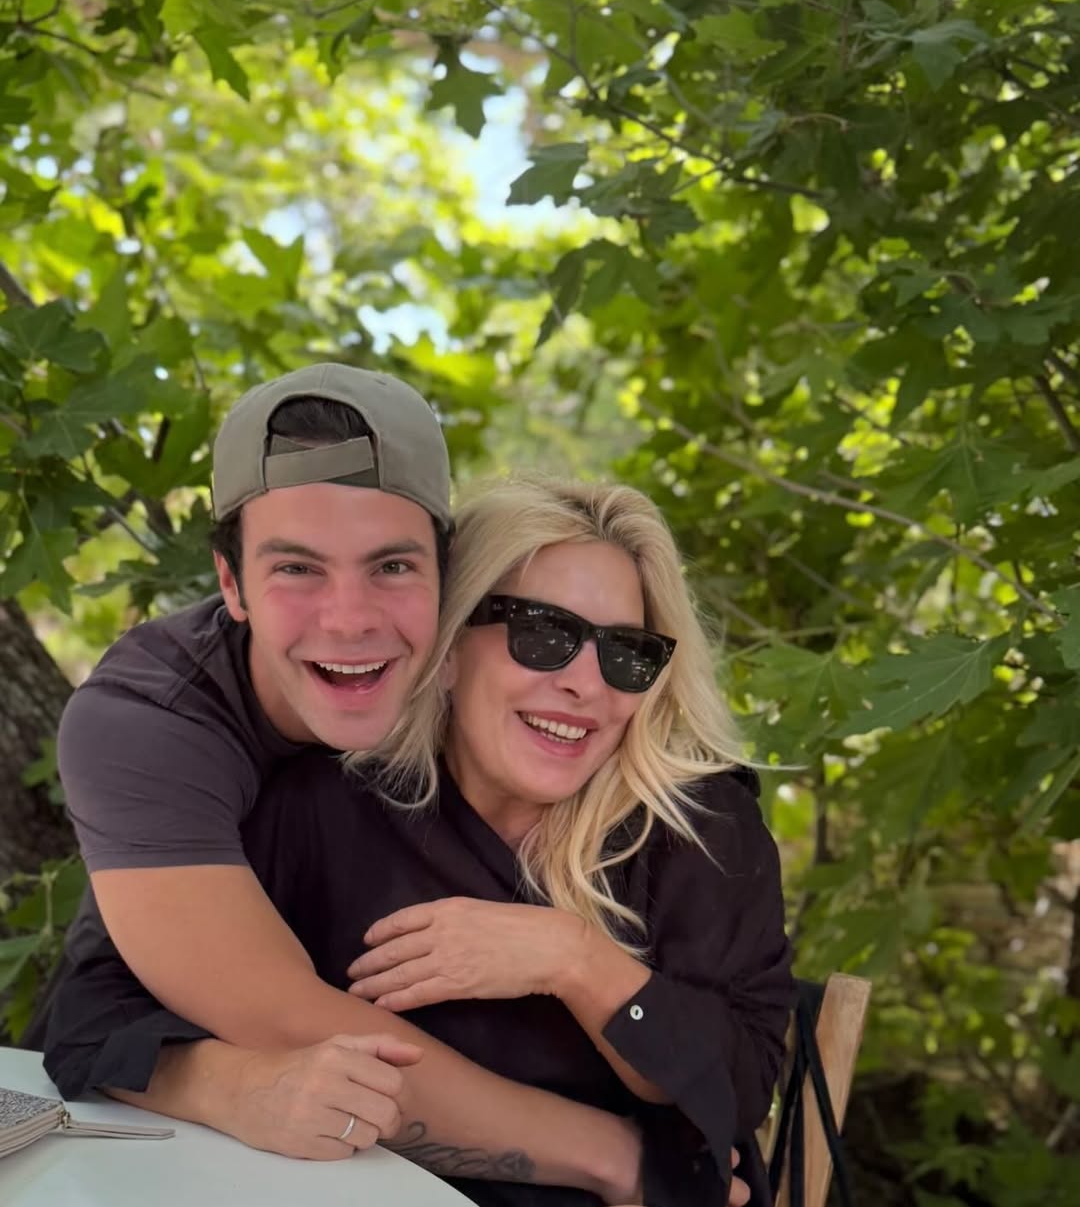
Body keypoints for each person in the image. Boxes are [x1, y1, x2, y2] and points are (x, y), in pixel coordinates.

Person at [44, 475, 794, 1206]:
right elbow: (91, 1018)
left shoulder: (695, 829)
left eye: (626, 654)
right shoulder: (329, 804)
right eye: (544, 635)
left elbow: (735, 1091)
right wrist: (233, 1086)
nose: (586, 686)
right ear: (450, 644)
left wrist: (573, 959)